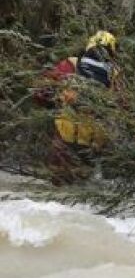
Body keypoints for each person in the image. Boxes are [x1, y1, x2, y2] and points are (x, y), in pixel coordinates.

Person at [37, 31, 121, 182]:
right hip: (93, 144)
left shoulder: (70, 64)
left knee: (59, 190)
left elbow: (41, 92)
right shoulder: (115, 75)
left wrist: (51, 104)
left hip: (65, 137)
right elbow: (122, 107)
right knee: (83, 191)